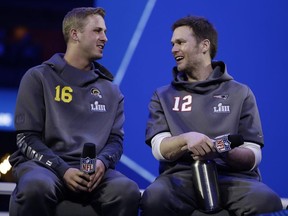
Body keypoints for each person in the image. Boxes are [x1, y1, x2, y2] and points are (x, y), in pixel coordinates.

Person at [140, 15, 283, 216]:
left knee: (268, 201)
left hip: (233, 179)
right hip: (180, 178)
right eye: (172, 44)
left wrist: (223, 151)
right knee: (154, 199)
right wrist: (187, 139)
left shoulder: (241, 92)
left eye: (180, 42)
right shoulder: (163, 95)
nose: (173, 49)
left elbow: (253, 154)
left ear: (204, 45)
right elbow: (159, 148)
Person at [9, 7, 140, 216]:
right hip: (47, 167)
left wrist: (102, 163)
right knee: (36, 186)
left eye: (105, 32)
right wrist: (63, 169)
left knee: (127, 190)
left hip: (93, 173)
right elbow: (26, 138)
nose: (104, 38)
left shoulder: (111, 90)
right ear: (75, 34)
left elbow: (115, 140)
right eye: (97, 31)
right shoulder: (38, 78)